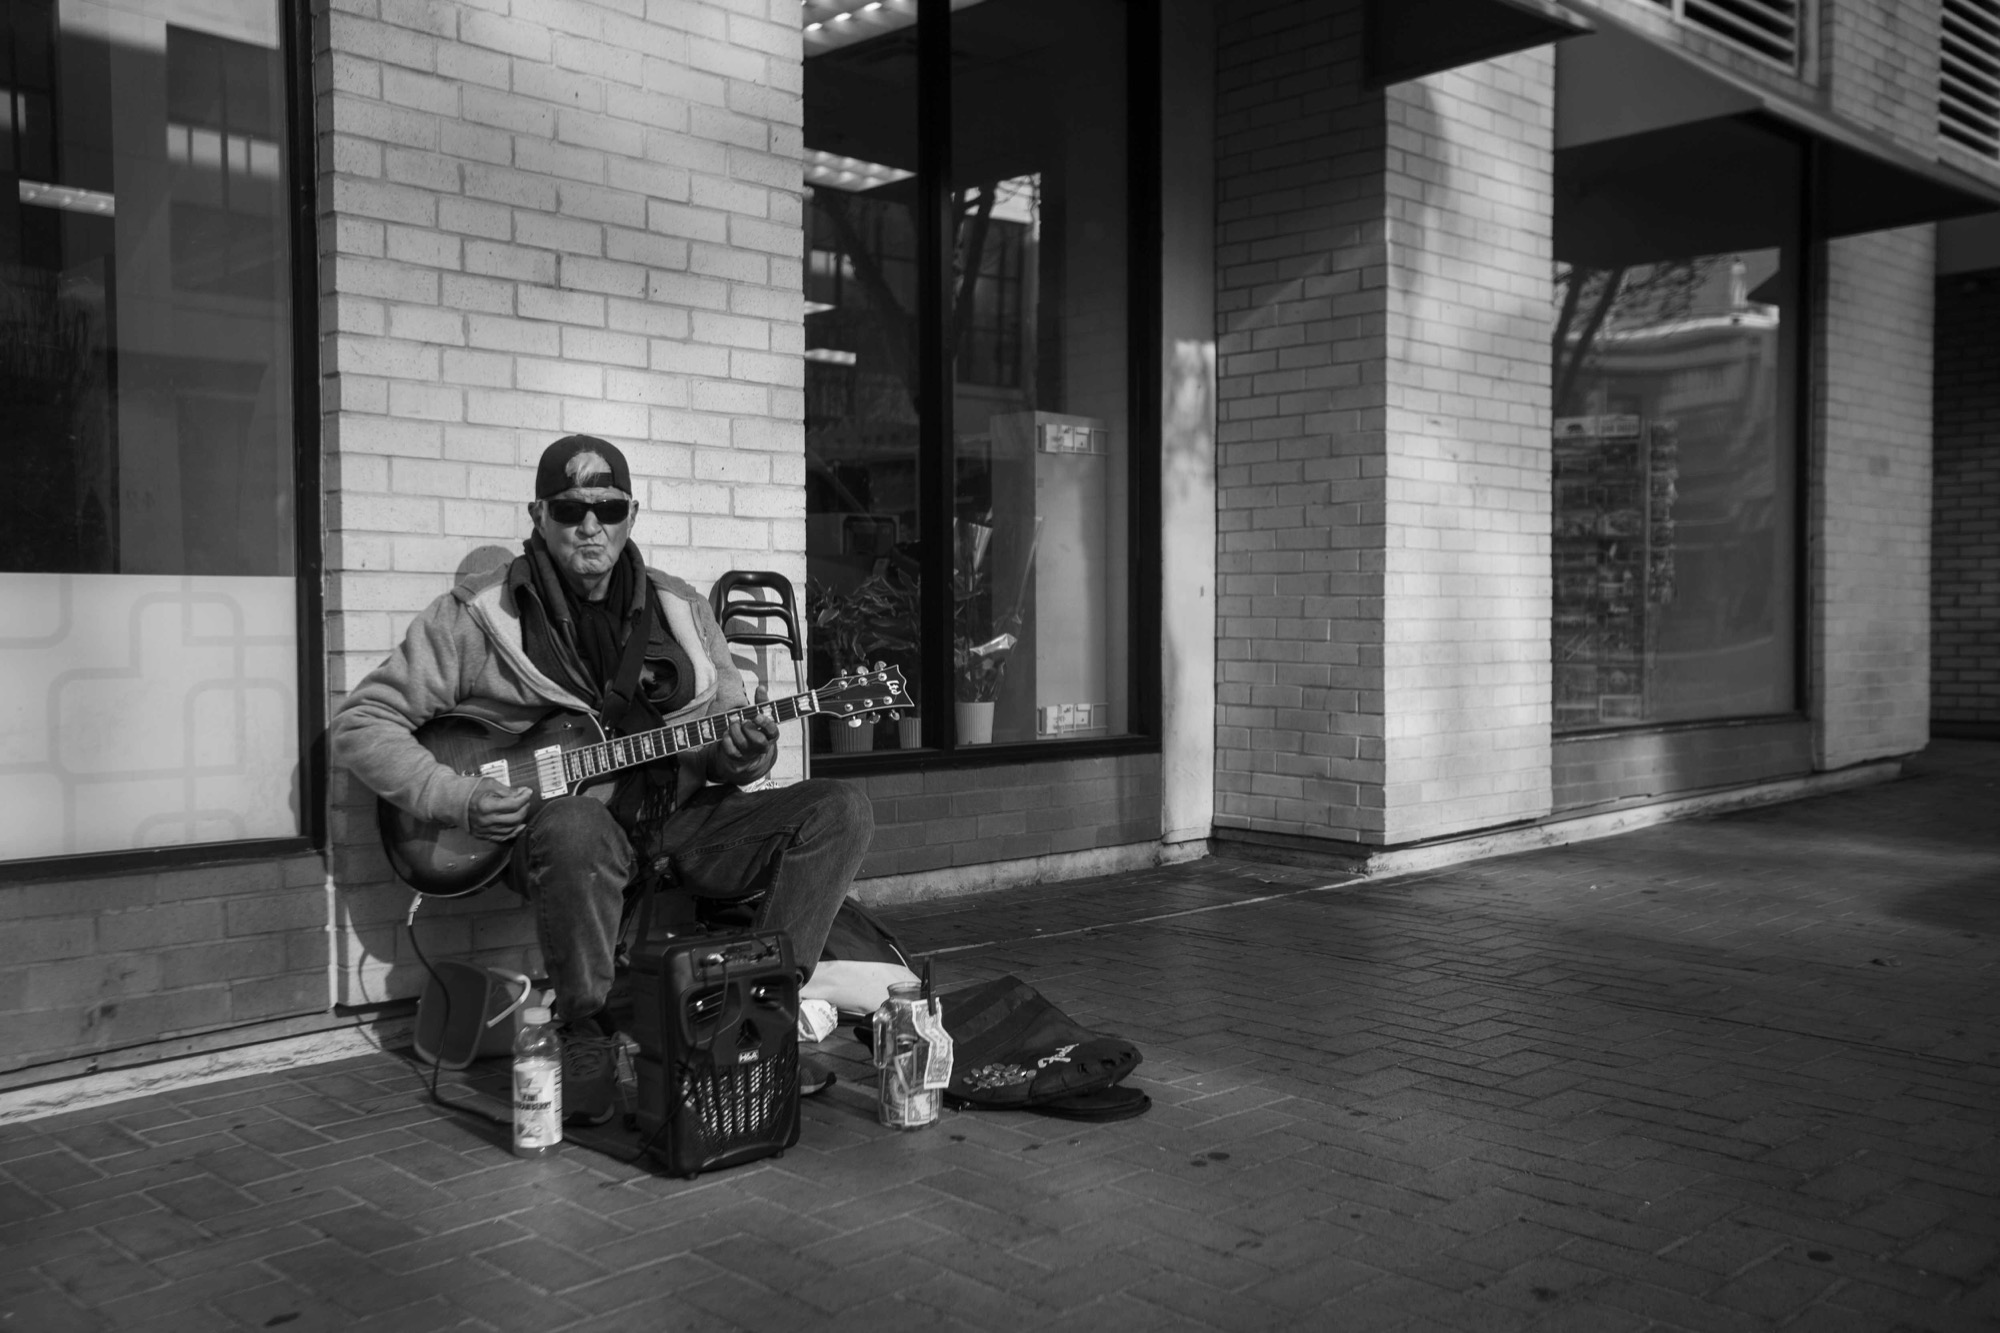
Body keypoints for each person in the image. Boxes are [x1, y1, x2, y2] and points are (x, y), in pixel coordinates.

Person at [330, 435, 872, 1124]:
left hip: (679, 821)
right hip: (561, 840)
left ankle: (755, 1018)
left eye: (608, 508)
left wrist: (745, 753)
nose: (591, 525)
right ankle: (584, 1031)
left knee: (841, 808)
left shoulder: (680, 609)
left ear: (631, 514)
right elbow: (362, 725)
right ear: (539, 514)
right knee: (575, 823)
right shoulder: (478, 616)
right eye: (570, 508)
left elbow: (728, 733)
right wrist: (456, 797)